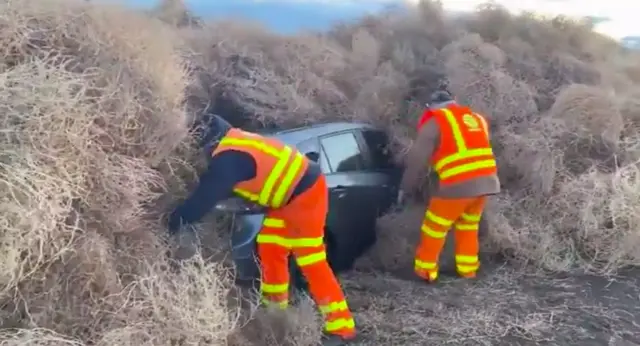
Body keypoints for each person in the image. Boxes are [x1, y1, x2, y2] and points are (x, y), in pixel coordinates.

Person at [167, 114, 357, 346]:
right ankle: (275, 310)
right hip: (284, 201)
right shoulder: (235, 140)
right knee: (270, 248)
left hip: (307, 195)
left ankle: (341, 327)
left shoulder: (229, 161)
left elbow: (201, 201)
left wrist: (173, 223)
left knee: (311, 260)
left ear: (209, 144)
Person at [398, 90, 500, 283]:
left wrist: (406, 188)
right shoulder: (477, 119)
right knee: (468, 226)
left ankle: (425, 271)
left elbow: (417, 161)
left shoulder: (435, 123)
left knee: (434, 228)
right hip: (486, 184)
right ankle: (468, 270)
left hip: (458, 186)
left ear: (430, 108)